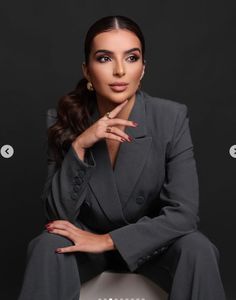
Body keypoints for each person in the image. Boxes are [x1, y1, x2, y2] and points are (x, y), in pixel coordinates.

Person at [17, 15, 226, 300]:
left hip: (151, 246)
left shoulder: (170, 117)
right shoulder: (63, 120)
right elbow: (58, 217)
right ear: (87, 71)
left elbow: (184, 214)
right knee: (46, 245)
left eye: (131, 58)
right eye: (104, 58)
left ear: (142, 69)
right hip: (86, 250)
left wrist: (107, 240)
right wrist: (80, 146)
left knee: (198, 248)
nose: (119, 71)